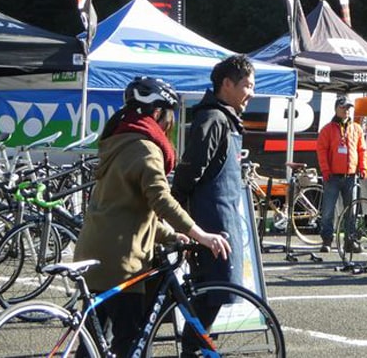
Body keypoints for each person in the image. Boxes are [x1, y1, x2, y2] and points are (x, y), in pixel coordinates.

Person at [73, 76, 230, 357]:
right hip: (122, 261)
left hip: (95, 252)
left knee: (93, 344)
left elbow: (130, 209)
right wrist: (200, 234)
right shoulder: (145, 148)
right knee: (130, 343)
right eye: (169, 116)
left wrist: (172, 234)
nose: (170, 125)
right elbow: (161, 200)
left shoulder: (118, 142)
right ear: (157, 113)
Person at [172, 54, 255, 324]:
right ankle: (193, 350)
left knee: (215, 295)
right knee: (211, 295)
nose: (251, 93)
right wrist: (179, 219)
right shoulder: (213, 118)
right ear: (227, 84)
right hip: (212, 224)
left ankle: (198, 348)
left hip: (222, 220)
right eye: (248, 86)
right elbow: (190, 171)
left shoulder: (225, 118)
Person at [316, 94, 367, 253]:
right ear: (336, 109)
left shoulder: (357, 128)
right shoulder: (327, 129)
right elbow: (321, 150)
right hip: (332, 176)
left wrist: (363, 167)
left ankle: (350, 241)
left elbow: (362, 149)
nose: (347, 110)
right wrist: (325, 170)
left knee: (351, 211)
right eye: (343, 107)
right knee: (328, 211)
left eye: (349, 108)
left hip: (351, 176)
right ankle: (327, 241)